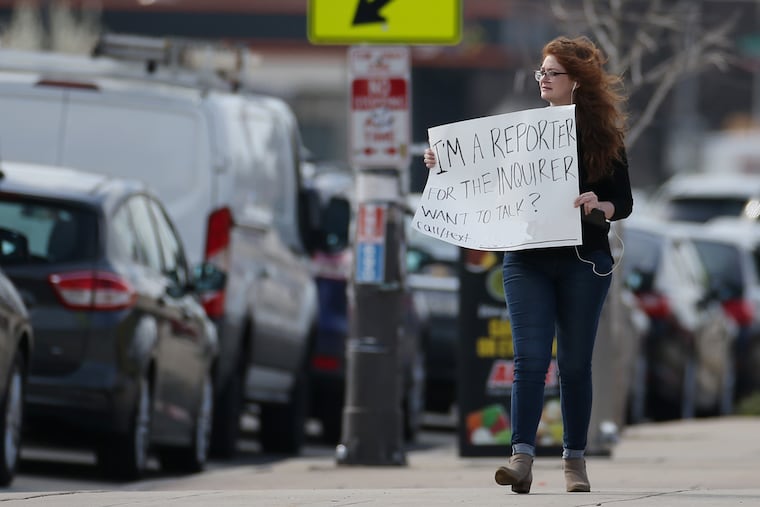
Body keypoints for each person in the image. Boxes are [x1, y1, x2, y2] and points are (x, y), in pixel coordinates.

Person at [423, 35, 633, 494]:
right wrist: (444, 163)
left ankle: (574, 461)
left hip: (582, 261)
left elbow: (625, 202)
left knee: (575, 364)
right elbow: (481, 177)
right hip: (526, 260)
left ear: (576, 82)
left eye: (551, 73)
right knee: (530, 360)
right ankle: (520, 457)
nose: (542, 79)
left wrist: (599, 205)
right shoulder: (521, 133)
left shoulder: (603, 136)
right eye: (540, 72)